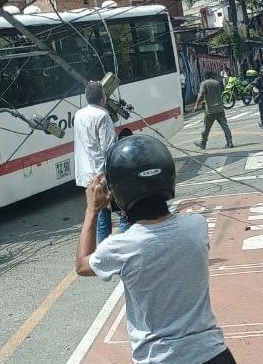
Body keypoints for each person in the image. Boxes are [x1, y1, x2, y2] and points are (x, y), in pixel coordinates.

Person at [75, 135, 236, 364]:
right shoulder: (197, 226)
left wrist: (92, 209)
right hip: (215, 355)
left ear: (118, 192)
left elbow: (82, 265)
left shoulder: (121, 246)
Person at [73, 81, 128, 244]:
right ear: (103, 97)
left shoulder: (78, 115)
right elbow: (109, 148)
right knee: (125, 215)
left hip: (87, 175)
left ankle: (102, 254)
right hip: (103, 174)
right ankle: (123, 250)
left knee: (102, 216)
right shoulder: (102, 116)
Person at [194, 71, 233, 150]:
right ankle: (229, 142)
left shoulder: (204, 83)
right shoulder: (217, 83)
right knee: (225, 126)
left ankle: (202, 143)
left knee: (206, 128)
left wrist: (196, 105)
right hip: (219, 108)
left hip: (210, 110)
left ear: (205, 76)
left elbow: (201, 95)